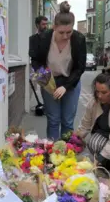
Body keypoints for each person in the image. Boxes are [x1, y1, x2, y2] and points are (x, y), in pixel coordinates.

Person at [29, 8, 86, 140]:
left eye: (69, 32)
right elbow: (36, 61)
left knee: (68, 121)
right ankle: (53, 153)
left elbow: (80, 68)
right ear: (54, 27)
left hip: (70, 82)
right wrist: (44, 80)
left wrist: (66, 86)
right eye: (61, 32)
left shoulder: (78, 39)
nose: (65, 36)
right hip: (50, 81)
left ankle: (66, 154)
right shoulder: (43, 38)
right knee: (53, 120)